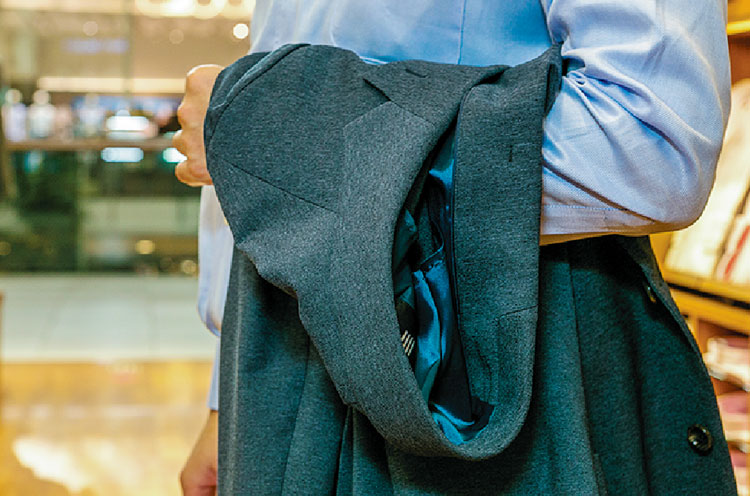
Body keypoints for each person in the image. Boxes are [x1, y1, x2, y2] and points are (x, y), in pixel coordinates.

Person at [174, 1, 731, 494]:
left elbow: (651, 147)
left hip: (482, 351)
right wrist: (229, 398)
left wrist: (267, 133)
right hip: (282, 345)